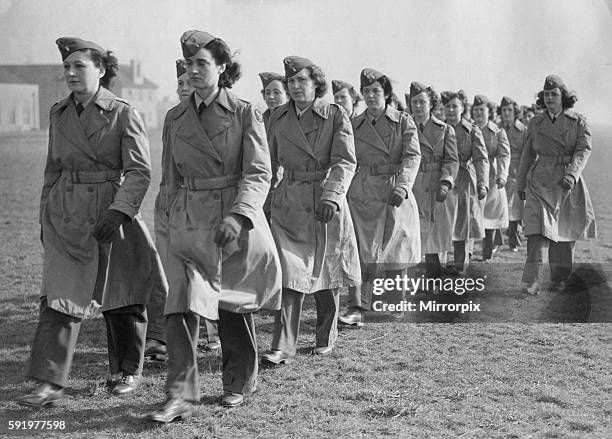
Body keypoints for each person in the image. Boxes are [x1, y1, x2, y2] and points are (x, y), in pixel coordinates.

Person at [17, 37, 166, 407]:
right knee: (59, 294)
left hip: (111, 210)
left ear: (100, 70)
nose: (70, 74)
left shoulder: (123, 112)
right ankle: (49, 383)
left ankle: (127, 371)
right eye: (66, 67)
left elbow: (139, 171)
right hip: (66, 212)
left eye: (78, 66)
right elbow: (53, 169)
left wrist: (119, 211)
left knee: (122, 295)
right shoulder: (58, 113)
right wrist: (45, 216)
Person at [146, 30, 282, 421]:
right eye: (188, 64)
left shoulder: (243, 112)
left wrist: (239, 216)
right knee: (181, 304)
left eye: (202, 63)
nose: (193, 70)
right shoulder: (175, 117)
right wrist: (167, 224)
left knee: (230, 303)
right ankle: (181, 395)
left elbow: (258, 173)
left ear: (222, 68)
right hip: (187, 219)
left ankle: (238, 380)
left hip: (230, 219)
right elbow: (169, 179)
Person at [261, 56, 360, 365]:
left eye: (301, 81)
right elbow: (266, 164)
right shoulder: (277, 117)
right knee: (289, 273)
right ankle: (283, 345)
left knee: (326, 271)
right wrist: (263, 202)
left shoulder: (334, 115)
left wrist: (332, 195)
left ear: (317, 84)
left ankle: (325, 334)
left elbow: (344, 160)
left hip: (324, 201)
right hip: (289, 201)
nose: (295, 86)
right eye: (291, 82)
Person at [145, 60, 220, 363]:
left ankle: (215, 335)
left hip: (211, 206)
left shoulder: (220, 116)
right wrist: (165, 202)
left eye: (188, 85)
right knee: (177, 278)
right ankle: (172, 343)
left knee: (210, 275)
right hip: (175, 203)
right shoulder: (173, 118)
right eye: (179, 85)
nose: (182, 90)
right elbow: (168, 167)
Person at [339, 68, 421, 326]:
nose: (371, 96)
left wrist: (404, 185)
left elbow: (412, 156)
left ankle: (396, 300)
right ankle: (358, 306)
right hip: (363, 191)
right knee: (362, 249)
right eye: (366, 91)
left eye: (376, 91)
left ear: (386, 93)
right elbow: (346, 159)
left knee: (397, 247)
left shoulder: (403, 121)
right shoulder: (354, 124)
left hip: (395, 188)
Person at [517, 75, 596, 294]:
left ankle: (559, 279)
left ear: (563, 96)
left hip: (566, 182)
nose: (550, 98)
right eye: (547, 95)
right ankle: (531, 281)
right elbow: (527, 154)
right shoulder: (535, 122)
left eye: (554, 94)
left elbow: (583, 150)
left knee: (563, 232)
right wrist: (521, 182)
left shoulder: (578, 121)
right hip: (540, 180)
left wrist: (571, 174)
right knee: (536, 231)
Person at [408, 82, 458, 285]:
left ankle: (434, 282)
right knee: (410, 238)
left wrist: (446, 181)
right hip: (412, 187)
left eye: (422, 102)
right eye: (414, 102)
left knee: (433, 242)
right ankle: (409, 285)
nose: (418, 106)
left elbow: (452, 160)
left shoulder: (445, 130)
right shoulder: (405, 127)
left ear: (431, 105)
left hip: (436, 189)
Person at [441, 90, 489, 275]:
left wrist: (483, 183)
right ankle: (440, 264)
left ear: (462, 108)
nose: (451, 110)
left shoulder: (472, 130)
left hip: (464, 180)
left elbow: (481, 159)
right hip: (444, 179)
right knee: (442, 222)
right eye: (448, 106)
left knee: (463, 223)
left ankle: (461, 265)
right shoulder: (440, 128)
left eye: (455, 106)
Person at [471, 95, 510, 262]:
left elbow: (504, 155)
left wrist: (502, 175)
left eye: (482, 110)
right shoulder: (468, 129)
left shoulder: (498, 132)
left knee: (490, 218)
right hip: (470, 176)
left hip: (492, 180)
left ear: (490, 112)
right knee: (469, 215)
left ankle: (487, 254)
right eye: (476, 110)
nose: (479, 113)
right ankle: (467, 253)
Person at [498, 96, 527, 252]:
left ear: (515, 112)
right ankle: (496, 241)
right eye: (503, 110)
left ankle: (514, 241)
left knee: (515, 209)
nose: (506, 113)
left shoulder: (523, 130)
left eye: (509, 110)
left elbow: (527, 154)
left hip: (516, 172)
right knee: (498, 207)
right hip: (500, 171)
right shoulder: (496, 128)